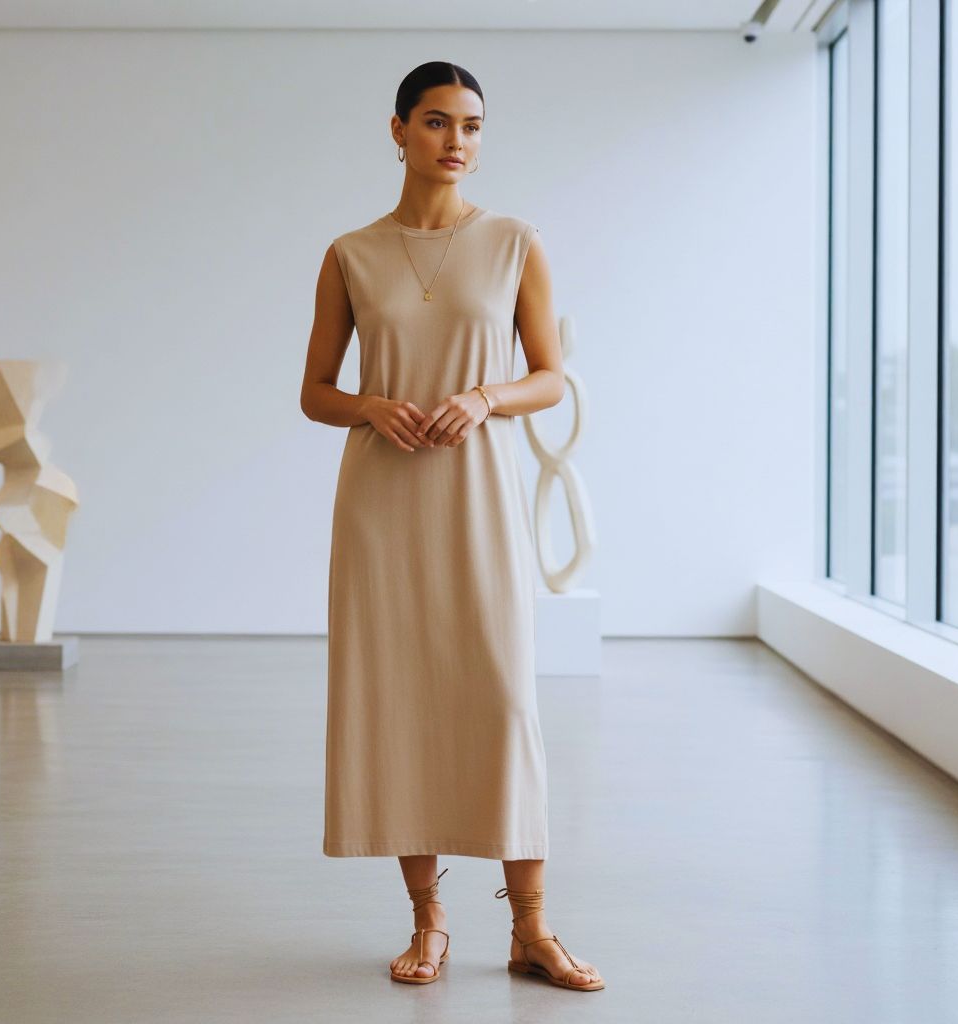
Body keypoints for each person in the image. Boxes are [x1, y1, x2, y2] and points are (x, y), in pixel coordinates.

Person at [300, 60, 604, 992]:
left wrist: (483, 396)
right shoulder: (350, 253)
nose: (456, 142)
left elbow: (550, 375)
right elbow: (314, 393)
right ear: (396, 130)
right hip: (382, 503)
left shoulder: (515, 242)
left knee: (504, 699)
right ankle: (429, 923)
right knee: (401, 700)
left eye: (471, 126)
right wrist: (371, 408)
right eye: (436, 123)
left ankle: (533, 931)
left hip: (478, 494)